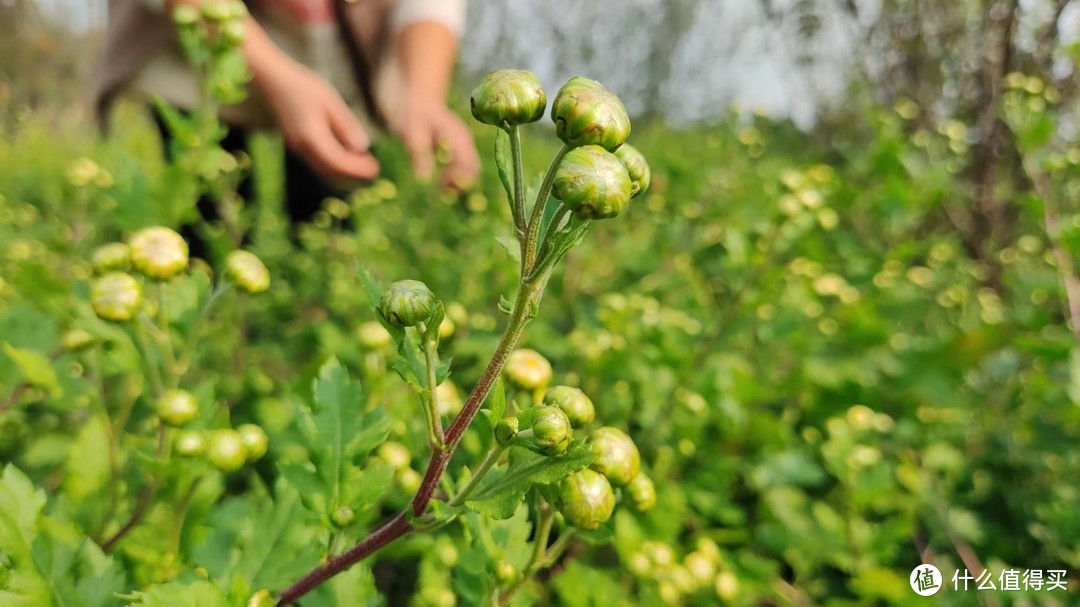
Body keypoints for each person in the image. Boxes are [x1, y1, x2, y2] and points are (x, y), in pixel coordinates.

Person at [94, 0, 480, 227]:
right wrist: (273, 73)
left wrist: (424, 95)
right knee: (209, 209)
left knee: (326, 207)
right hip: (196, 49)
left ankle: (308, 312)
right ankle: (216, 331)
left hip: (336, 50)